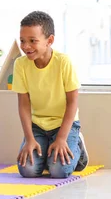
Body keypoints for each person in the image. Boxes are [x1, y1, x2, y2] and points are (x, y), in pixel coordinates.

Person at [13, 11, 89, 179]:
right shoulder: (20, 64)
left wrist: (62, 138)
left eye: (33, 41)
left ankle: (77, 146)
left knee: (58, 171)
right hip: (37, 126)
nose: (26, 46)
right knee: (28, 170)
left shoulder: (63, 62)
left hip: (63, 125)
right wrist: (29, 138)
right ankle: (46, 148)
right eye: (23, 41)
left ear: (49, 41)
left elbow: (72, 102)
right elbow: (24, 104)